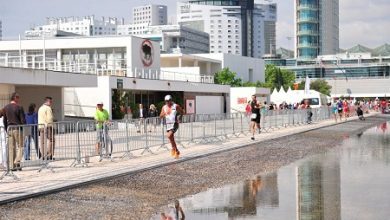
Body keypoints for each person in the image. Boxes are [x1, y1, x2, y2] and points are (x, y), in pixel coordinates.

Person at [2, 92, 26, 171]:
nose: (19, 99)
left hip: (9, 128)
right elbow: (23, 120)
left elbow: (4, 120)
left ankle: (12, 166)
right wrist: (24, 128)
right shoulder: (19, 107)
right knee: (21, 146)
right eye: (18, 97)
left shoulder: (6, 107)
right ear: (15, 97)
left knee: (11, 148)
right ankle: (17, 161)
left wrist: (6, 129)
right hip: (17, 128)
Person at [160, 95, 184, 159]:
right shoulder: (164, 107)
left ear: (171, 100)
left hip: (174, 124)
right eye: (166, 101)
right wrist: (163, 114)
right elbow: (161, 116)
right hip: (168, 125)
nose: (167, 102)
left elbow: (182, 111)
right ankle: (176, 150)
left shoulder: (175, 106)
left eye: (168, 101)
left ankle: (174, 149)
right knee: (171, 138)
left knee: (169, 135)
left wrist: (180, 117)